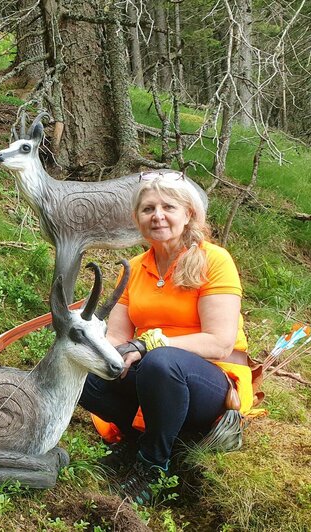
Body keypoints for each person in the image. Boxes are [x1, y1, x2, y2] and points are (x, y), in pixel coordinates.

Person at [78, 171, 252, 505]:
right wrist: (112, 355)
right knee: (85, 370)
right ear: (137, 219)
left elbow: (220, 342)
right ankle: (135, 443)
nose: (157, 215)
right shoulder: (134, 267)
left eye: (168, 207)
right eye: (148, 209)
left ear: (189, 214)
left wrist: (147, 345)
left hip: (209, 379)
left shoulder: (214, 260)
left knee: (161, 361)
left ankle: (152, 466)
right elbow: (116, 335)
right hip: (153, 374)